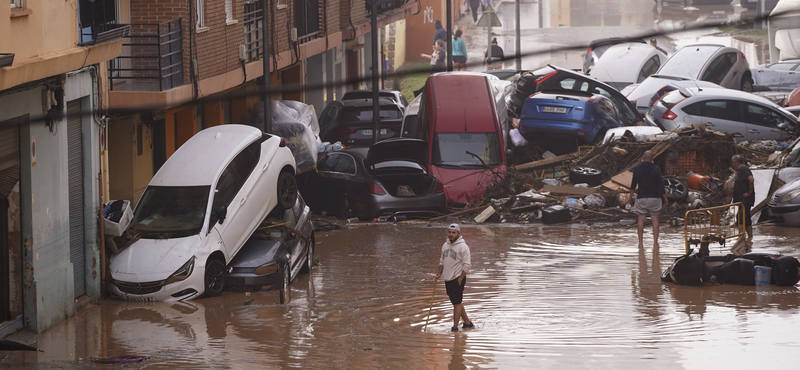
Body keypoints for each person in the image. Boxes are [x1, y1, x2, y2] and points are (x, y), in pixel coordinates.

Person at [435, 223, 473, 332]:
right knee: (457, 302)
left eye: (453, 233)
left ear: (458, 234)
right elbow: (442, 261)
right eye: (449, 232)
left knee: (456, 303)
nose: (451, 235)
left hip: (457, 277)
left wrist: (460, 278)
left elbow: (467, 265)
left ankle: (455, 327)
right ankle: (467, 323)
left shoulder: (463, 247)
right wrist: (439, 274)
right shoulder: (445, 245)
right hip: (447, 278)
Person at [630, 150, 669, 249]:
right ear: (652, 158)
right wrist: (665, 198)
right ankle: (655, 242)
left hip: (642, 197)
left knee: (641, 219)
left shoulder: (637, 168)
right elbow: (660, 185)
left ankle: (640, 242)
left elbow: (633, 184)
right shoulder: (656, 169)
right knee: (655, 219)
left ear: (643, 157)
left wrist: (630, 196)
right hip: (654, 198)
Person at [732, 154, 755, 244]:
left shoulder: (744, 169)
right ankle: (750, 238)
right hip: (743, 200)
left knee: (740, 218)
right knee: (747, 219)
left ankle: (741, 239)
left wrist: (749, 192)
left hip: (745, 200)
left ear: (734, 162)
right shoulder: (741, 170)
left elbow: (751, 179)